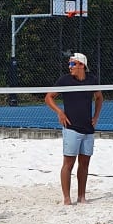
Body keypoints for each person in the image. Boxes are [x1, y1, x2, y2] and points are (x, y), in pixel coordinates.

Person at [44, 52, 103, 205]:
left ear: (81, 65)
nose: (69, 67)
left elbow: (99, 97)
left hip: (88, 128)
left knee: (84, 164)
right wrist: (60, 112)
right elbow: (48, 97)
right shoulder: (65, 80)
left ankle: (81, 197)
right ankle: (67, 199)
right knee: (68, 163)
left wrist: (96, 116)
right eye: (69, 64)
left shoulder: (92, 80)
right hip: (71, 127)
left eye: (72, 64)